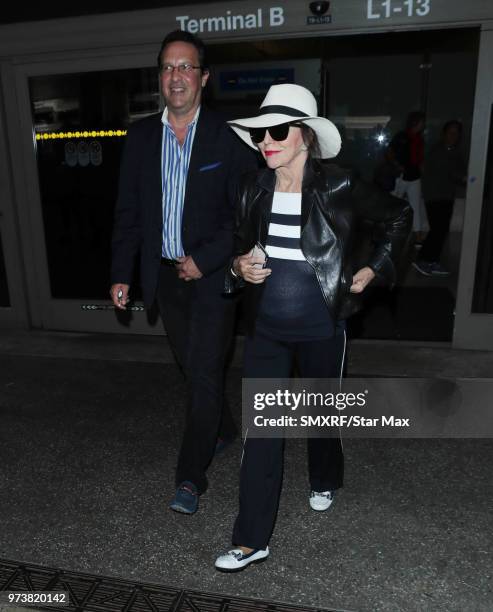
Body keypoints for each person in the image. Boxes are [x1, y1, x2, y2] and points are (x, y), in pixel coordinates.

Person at [214, 84, 412, 571]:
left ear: (304, 136)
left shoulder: (338, 185)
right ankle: (251, 538)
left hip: (324, 323)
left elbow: (398, 216)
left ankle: (324, 477)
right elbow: (237, 251)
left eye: (277, 131)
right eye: (261, 133)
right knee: (263, 432)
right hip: (266, 329)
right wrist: (238, 269)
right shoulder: (251, 187)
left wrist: (374, 269)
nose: (266, 142)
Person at [110, 30, 255, 515]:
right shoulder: (140, 136)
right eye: (169, 67)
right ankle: (226, 428)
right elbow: (129, 212)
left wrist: (208, 258)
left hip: (213, 278)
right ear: (160, 78)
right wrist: (121, 273)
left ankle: (190, 478)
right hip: (165, 279)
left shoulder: (228, 138)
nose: (177, 76)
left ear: (204, 78)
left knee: (205, 376)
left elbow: (243, 216)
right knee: (195, 370)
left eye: (186, 67)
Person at [413, 120, 466, 276]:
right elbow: (454, 173)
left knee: (440, 230)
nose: (454, 136)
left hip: (444, 195)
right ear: (444, 134)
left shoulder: (452, 151)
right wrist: (469, 178)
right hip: (436, 197)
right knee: (438, 230)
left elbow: (457, 171)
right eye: (451, 132)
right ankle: (423, 260)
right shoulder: (441, 152)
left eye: (457, 133)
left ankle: (431, 261)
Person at [390, 111, 426, 241]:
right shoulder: (402, 136)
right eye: (421, 122)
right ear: (415, 122)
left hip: (414, 175)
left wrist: (421, 167)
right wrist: (396, 165)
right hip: (401, 175)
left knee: (415, 205)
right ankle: (391, 228)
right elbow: (390, 152)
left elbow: (419, 157)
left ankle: (417, 233)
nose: (423, 125)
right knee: (395, 202)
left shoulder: (419, 139)